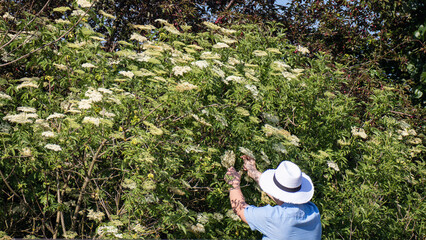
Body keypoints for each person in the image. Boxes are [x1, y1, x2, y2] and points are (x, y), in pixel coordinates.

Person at [225, 155, 322, 240]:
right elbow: (283, 200)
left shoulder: (273, 217)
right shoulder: (313, 211)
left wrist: (233, 184)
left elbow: (239, 209)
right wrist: (253, 172)